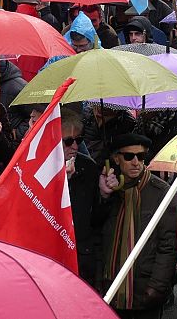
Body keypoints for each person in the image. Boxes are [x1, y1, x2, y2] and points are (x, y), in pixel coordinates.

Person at [100, 133, 177, 318]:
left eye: (141, 156)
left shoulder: (161, 192)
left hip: (145, 290)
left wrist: (157, 287)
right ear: (116, 159)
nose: (136, 162)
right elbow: (98, 233)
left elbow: (168, 244)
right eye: (129, 156)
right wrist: (104, 197)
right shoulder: (112, 190)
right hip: (111, 288)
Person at [61, 108, 102, 287]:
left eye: (79, 140)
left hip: (82, 256)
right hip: (52, 255)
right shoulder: (38, 169)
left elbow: (97, 219)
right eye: (68, 141)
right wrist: (63, 182)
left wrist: (106, 195)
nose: (75, 147)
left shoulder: (89, 167)